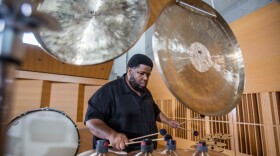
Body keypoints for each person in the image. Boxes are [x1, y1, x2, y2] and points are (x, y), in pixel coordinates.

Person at [84, 54, 180, 152]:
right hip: (120, 152)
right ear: (130, 71)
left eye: (148, 74)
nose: (145, 78)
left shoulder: (145, 92)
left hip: (145, 150)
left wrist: (168, 121)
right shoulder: (108, 91)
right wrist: (112, 135)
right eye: (141, 73)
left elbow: (155, 111)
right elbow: (92, 121)